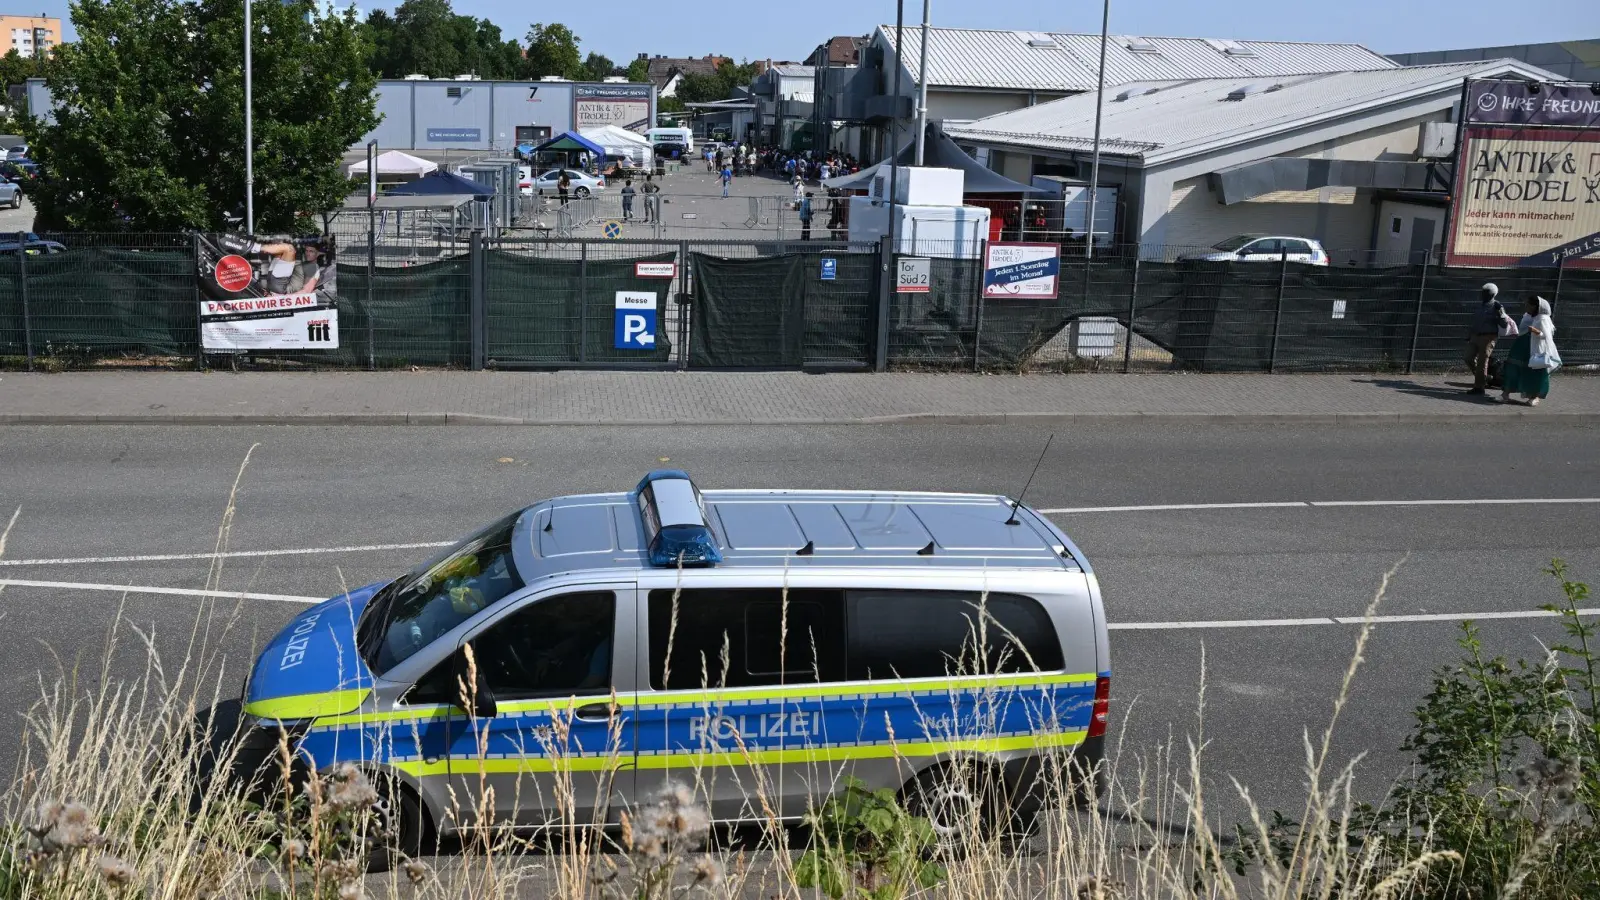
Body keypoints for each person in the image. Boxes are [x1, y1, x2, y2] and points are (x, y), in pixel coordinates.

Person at [1499, 297, 1558, 407]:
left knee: (1534, 372)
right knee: (1513, 368)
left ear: (1535, 306)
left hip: (1535, 350)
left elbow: (1546, 336)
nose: (1526, 306)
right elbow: (1522, 330)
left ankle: (1535, 396)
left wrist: (1535, 331)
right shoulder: (1527, 316)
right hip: (1521, 347)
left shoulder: (1543, 319)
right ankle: (1505, 393)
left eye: (1528, 304)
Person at [1463, 282, 1504, 395]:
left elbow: (1504, 324)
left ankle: (1479, 387)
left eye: (1486, 293)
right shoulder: (1480, 305)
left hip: (1488, 337)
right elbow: (1474, 321)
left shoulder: (1497, 306)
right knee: (1468, 357)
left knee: (1482, 362)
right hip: (1475, 335)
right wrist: (1469, 335)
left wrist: (1500, 313)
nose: (1483, 295)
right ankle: (1485, 378)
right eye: (1483, 292)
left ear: (1492, 294)